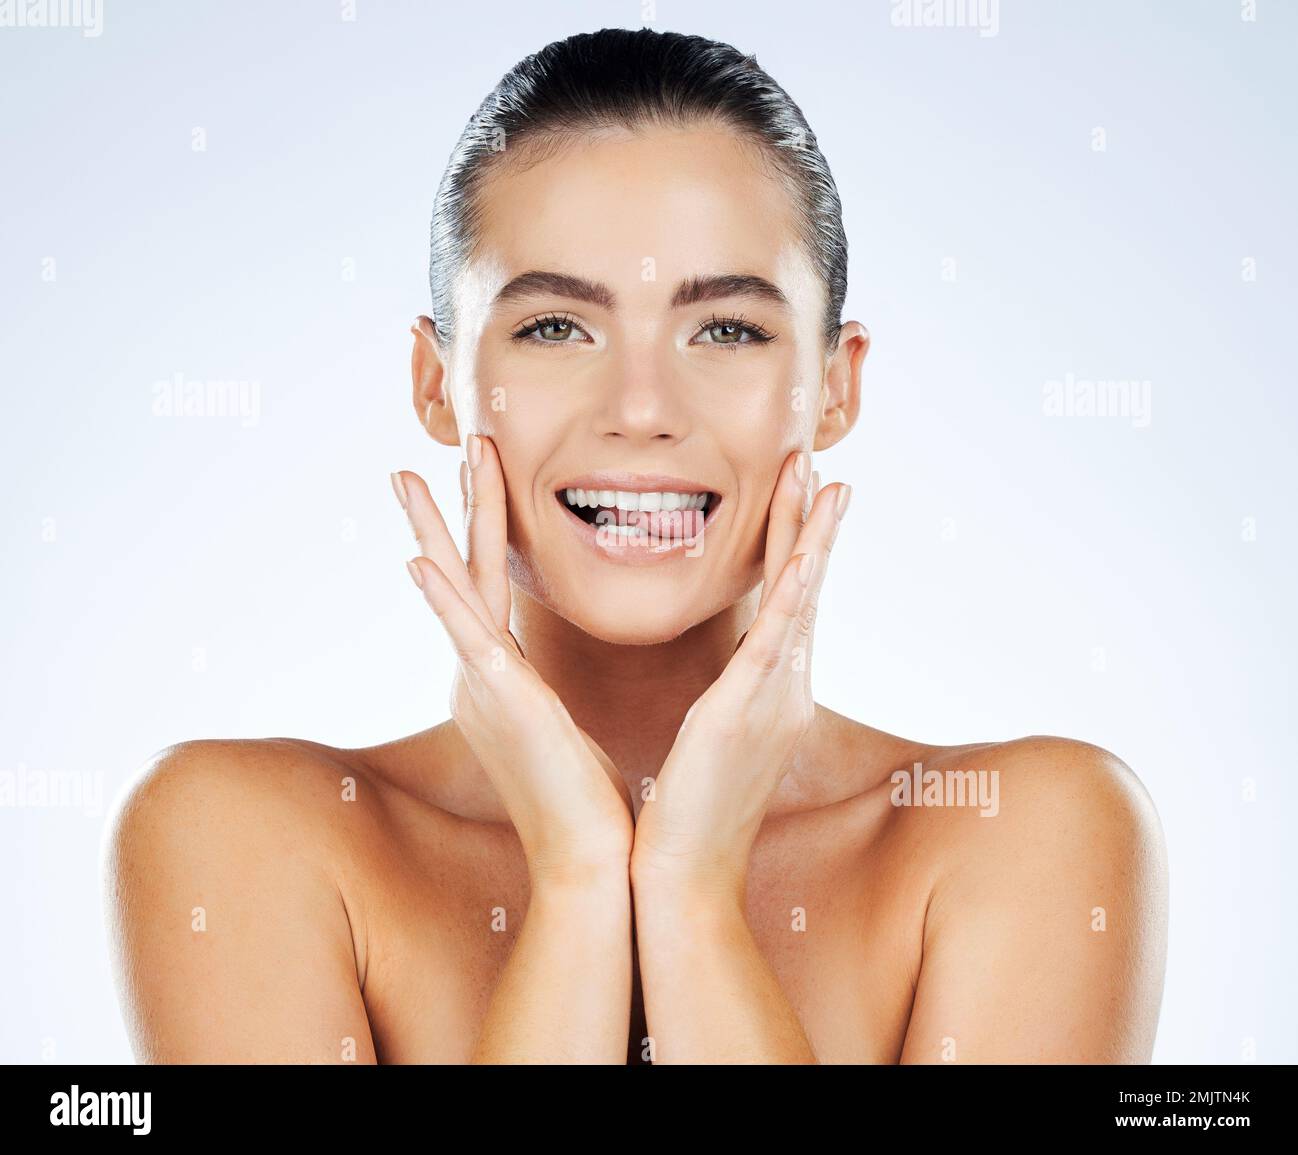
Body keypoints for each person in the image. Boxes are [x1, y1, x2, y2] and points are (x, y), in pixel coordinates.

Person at [104, 27, 1168, 1064]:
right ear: (437, 385)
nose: (643, 409)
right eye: (556, 327)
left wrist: (692, 894)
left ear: (834, 386)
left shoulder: (1025, 837)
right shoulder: (243, 840)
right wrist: (575, 878)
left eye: (727, 330)